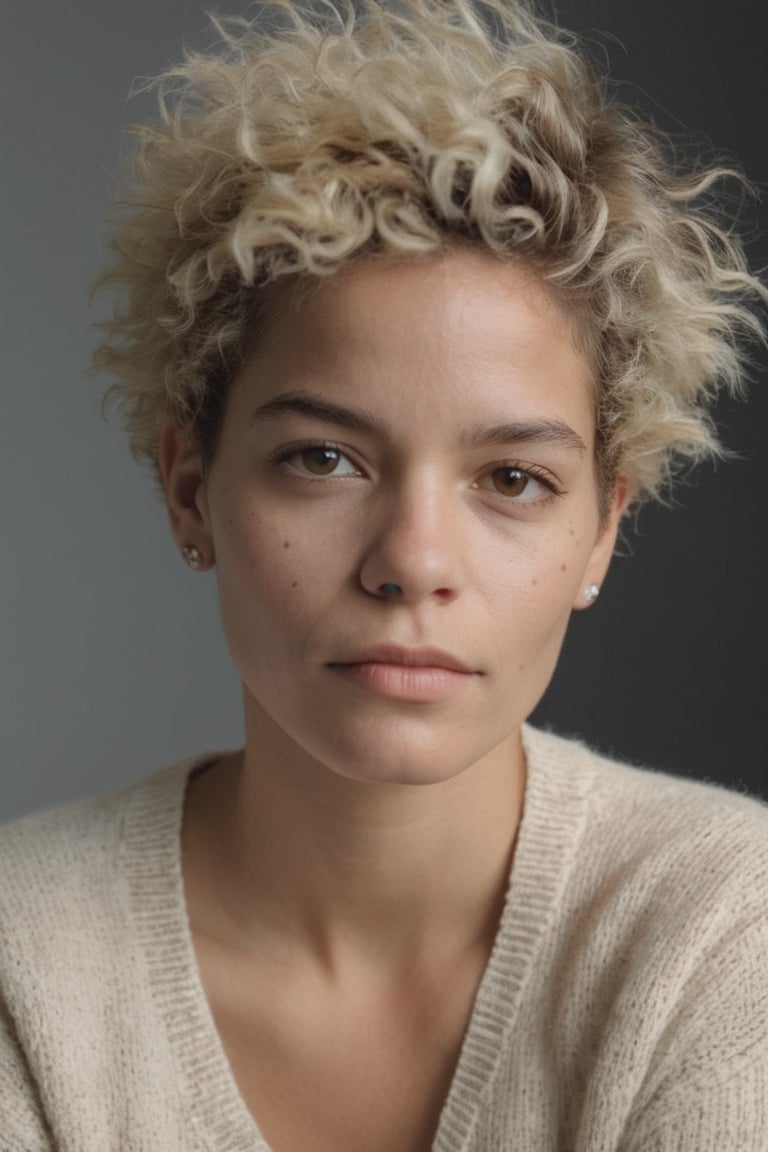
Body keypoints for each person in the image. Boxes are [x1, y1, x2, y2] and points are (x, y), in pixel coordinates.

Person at [1, 0, 767, 1147]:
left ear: (604, 528)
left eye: (512, 479)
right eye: (323, 459)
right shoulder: (25, 965)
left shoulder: (726, 932)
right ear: (189, 484)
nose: (413, 563)